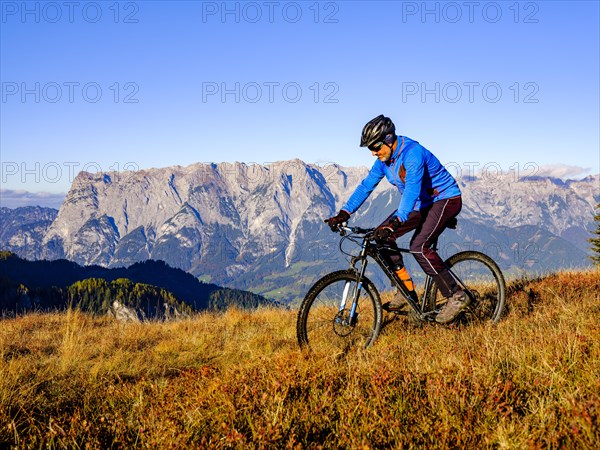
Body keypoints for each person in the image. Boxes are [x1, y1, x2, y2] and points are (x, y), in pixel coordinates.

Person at [326, 114, 467, 324]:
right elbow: (366, 186)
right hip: (421, 204)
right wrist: (344, 213)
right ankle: (405, 288)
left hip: (445, 199)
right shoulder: (384, 161)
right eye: (370, 149)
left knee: (419, 246)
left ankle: (456, 296)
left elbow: (411, 189)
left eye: (376, 146)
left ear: (389, 139)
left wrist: (398, 220)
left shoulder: (413, 154)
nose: (373, 152)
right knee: (379, 238)